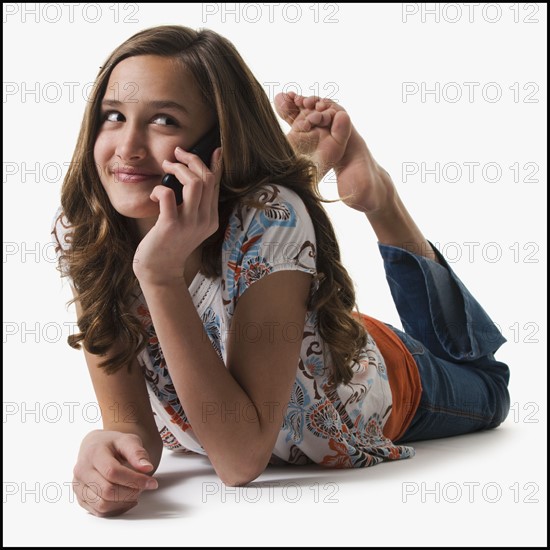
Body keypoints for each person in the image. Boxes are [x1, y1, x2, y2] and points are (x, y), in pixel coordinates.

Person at [51, 25, 510, 517]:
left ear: (215, 145)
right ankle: (300, 161)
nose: (127, 147)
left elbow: (238, 460)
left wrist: (159, 275)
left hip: (373, 377)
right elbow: (133, 429)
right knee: (273, 211)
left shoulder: (271, 219)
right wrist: (104, 450)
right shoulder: (91, 230)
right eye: (113, 116)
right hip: (288, 325)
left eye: (164, 120)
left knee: (488, 384)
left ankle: (380, 198)